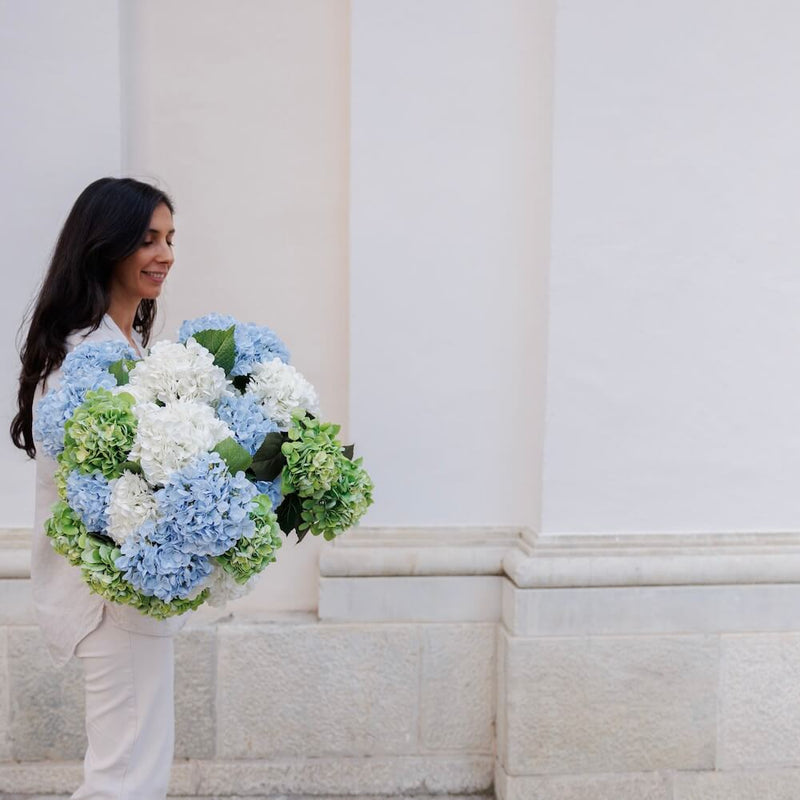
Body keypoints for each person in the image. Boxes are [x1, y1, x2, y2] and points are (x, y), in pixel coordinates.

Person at [10, 177, 183, 799]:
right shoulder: (84, 357)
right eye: (147, 239)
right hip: (113, 598)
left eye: (169, 238)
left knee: (134, 767)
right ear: (104, 246)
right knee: (124, 777)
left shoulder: (124, 346)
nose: (164, 253)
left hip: (134, 594)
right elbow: (100, 490)